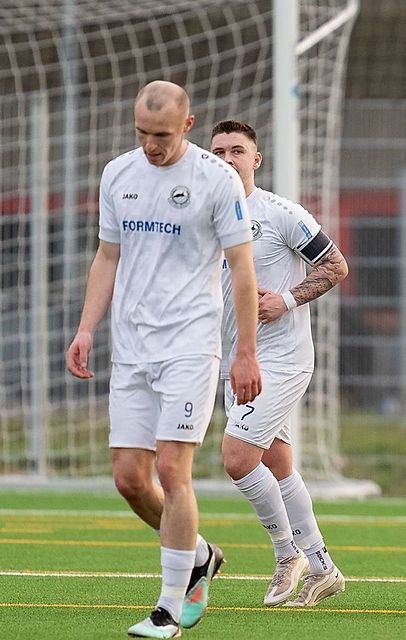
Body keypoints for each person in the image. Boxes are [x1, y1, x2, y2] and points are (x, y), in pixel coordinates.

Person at [66, 81, 262, 638]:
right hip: (131, 347)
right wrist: (86, 328)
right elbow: (108, 255)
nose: (151, 146)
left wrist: (244, 352)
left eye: (162, 136)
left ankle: (171, 608)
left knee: (173, 469)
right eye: (142, 134)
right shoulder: (117, 174)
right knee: (130, 478)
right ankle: (197, 553)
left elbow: (242, 271)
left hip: (190, 345)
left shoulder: (216, 179)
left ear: (189, 126)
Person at [211, 120, 349, 607]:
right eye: (218, 152)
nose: (227, 159)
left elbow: (335, 265)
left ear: (256, 159)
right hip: (237, 358)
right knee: (278, 463)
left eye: (237, 151)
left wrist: (286, 300)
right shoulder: (205, 217)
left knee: (236, 457)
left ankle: (287, 554)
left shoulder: (281, 214)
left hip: (283, 358)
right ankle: (323, 567)